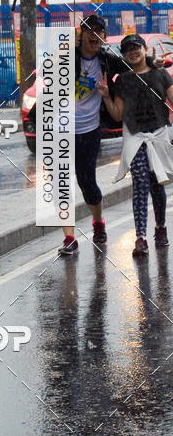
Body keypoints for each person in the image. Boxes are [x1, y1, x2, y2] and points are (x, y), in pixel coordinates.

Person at [98, 33, 173, 256]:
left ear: (144, 49)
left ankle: (160, 228)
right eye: (128, 50)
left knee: (157, 185)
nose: (133, 52)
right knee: (140, 183)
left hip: (158, 135)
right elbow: (118, 114)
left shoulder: (160, 74)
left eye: (136, 47)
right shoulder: (123, 81)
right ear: (124, 55)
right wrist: (105, 96)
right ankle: (140, 237)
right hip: (135, 137)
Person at [59, 14, 124, 255]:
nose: (94, 35)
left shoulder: (107, 61)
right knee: (61, 183)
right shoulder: (68, 57)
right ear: (82, 35)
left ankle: (98, 222)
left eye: (99, 31)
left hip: (88, 130)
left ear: (104, 37)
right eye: (90, 31)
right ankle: (69, 238)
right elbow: (49, 69)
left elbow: (132, 66)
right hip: (61, 130)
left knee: (87, 182)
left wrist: (154, 62)